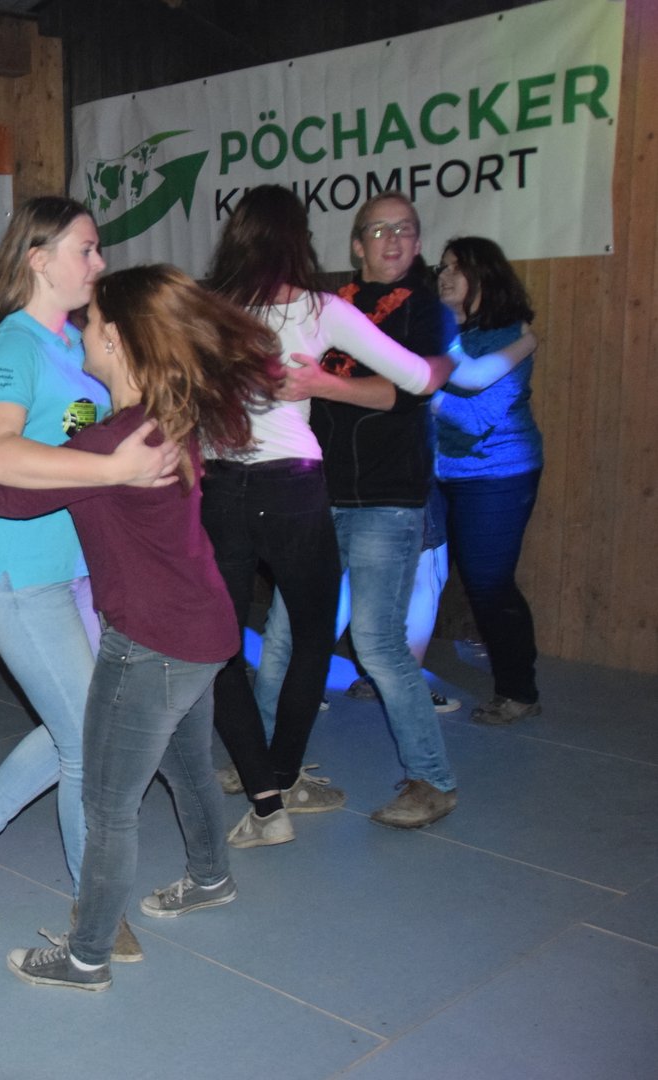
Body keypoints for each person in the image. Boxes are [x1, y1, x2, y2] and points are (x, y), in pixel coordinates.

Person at [0, 265, 281, 991]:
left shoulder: (114, 444)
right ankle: (211, 877)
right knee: (186, 768)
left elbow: (2, 493)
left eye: (91, 322)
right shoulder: (161, 417)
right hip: (204, 630)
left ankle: (86, 956)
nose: (82, 329)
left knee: (107, 804)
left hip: (150, 643)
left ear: (116, 339)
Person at [0, 196, 178, 933]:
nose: (100, 262)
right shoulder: (15, 346)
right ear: (38, 259)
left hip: (70, 569)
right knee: (90, 743)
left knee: (81, 724)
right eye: (86, 249)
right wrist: (115, 472)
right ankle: (96, 912)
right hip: (15, 574)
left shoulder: (75, 340)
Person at [199, 186, 446, 847]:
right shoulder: (320, 308)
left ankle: (264, 786)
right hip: (292, 486)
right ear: (299, 239)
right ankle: (280, 775)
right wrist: (444, 362)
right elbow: (417, 380)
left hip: (221, 487)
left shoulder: (204, 308)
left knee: (223, 644)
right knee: (311, 641)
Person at [260, 191, 461, 829]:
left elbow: (407, 392)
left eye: (405, 229)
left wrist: (323, 385)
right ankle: (264, 763)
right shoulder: (329, 306)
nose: (392, 240)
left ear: (418, 242)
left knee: (376, 643)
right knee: (284, 634)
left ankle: (433, 780)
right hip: (317, 491)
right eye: (379, 230)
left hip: (386, 498)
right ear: (356, 244)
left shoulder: (427, 311)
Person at [433, 236, 545, 724]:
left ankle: (519, 690)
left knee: (488, 582)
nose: (444, 275)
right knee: (417, 575)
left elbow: (474, 419)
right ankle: (390, 673)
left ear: (485, 276)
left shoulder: (508, 334)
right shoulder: (438, 331)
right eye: (442, 267)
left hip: (498, 473)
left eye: (456, 267)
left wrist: (416, 388)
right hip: (442, 471)